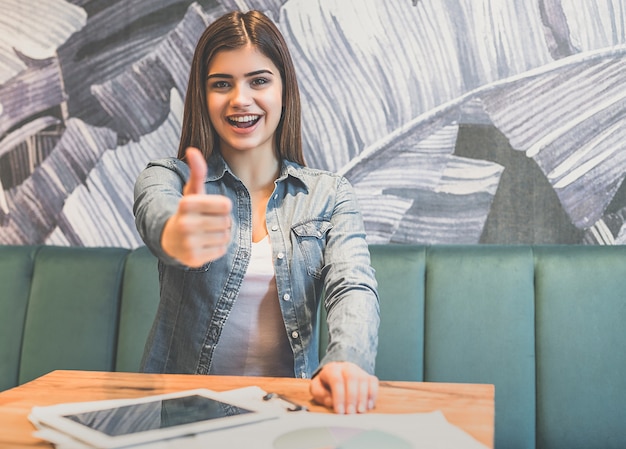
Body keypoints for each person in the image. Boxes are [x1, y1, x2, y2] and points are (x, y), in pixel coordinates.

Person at [133, 9, 380, 415]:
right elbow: (157, 211)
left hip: (284, 419)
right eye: (221, 84)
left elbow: (351, 285)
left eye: (259, 80)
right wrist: (176, 235)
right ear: (203, 95)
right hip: (178, 419)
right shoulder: (169, 178)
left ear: (284, 89)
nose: (240, 99)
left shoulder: (330, 194)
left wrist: (347, 360)